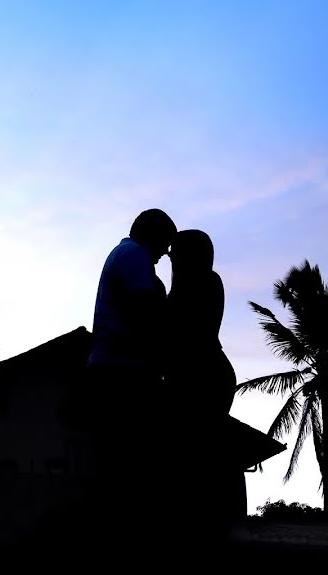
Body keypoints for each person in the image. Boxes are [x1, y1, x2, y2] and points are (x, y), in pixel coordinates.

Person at [84, 208, 177, 545]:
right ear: (153, 235)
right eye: (165, 245)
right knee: (128, 466)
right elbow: (145, 316)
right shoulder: (136, 256)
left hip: (111, 367)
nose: (164, 254)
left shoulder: (122, 255)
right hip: (120, 371)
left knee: (116, 463)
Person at [164, 229, 244, 542]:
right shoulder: (205, 284)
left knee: (204, 453)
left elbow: (179, 337)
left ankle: (213, 524)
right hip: (208, 375)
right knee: (207, 451)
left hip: (203, 377)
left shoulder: (196, 287)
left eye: (175, 256)